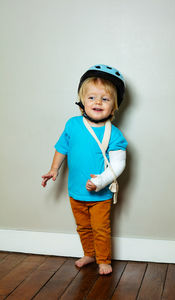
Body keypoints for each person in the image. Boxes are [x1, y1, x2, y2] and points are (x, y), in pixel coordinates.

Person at [41, 64, 128, 275]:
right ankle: (89, 253)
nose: (97, 102)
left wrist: (100, 182)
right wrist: (54, 169)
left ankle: (103, 260)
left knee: (100, 229)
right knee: (83, 227)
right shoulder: (72, 125)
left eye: (105, 99)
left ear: (114, 106)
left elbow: (118, 164)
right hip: (76, 191)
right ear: (82, 101)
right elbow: (62, 148)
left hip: (100, 194)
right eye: (91, 97)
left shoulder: (114, 134)